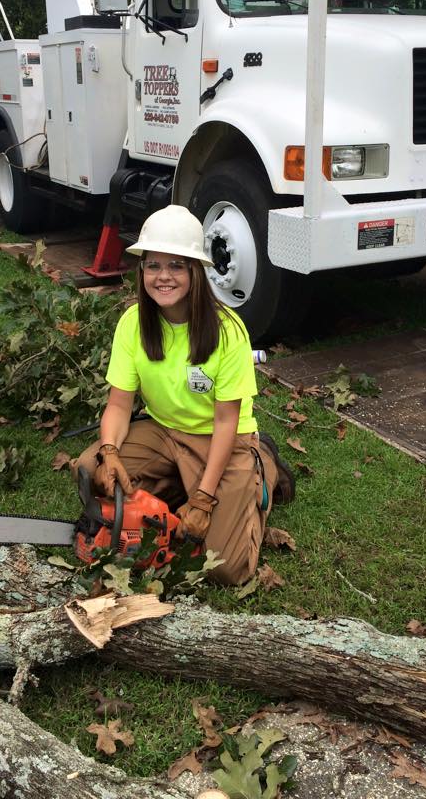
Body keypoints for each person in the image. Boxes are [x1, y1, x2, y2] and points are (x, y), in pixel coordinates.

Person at [75, 204, 294, 585]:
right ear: (142, 269)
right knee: (91, 469)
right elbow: (119, 403)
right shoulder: (132, 324)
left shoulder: (227, 332)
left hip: (222, 440)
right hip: (163, 431)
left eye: (176, 265)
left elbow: (227, 421)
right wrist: (109, 452)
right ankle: (177, 483)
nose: (164, 277)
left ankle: (266, 471)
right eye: (154, 265)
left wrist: (206, 498)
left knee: (225, 568)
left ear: (196, 270)